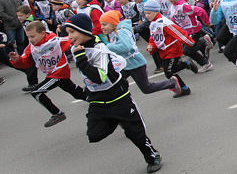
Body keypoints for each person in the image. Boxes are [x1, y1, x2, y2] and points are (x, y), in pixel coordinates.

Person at [63, 14, 163, 173]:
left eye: (71, 32)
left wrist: (81, 58)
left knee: (135, 133)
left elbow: (99, 77)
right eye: (67, 33)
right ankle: (115, 119)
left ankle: (152, 156)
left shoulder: (98, 49)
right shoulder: (76, 48)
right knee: (94, 135)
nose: (69, 37)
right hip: (98, 99)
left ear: (83, 31)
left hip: (118, 97)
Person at [8, 20, 87, 127]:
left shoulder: (55, 42)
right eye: (28, 37)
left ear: (42, 33)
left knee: (36, 92)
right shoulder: (31, 48)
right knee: (77, 93)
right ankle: (99, 99)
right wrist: (16, 60)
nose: (30, 40)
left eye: (33, 36)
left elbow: (73, 40)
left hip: (59, 73)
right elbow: (25, 63)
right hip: (51, 74)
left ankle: (57, 114)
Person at [97, 11, 180, 97]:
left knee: (147, 88)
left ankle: (171, 82)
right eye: (101, 24)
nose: (102, 27)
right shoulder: (114, 33)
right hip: (124, 65)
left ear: (113, 23)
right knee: (113, 81)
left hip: (135, 64)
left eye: (104, 24)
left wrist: (107, 46)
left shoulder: (122, 31)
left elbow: (125, 48)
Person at [143, 0, 195, 97]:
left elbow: (178, 32)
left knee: (168, 72)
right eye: (145, 13)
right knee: (172, 69)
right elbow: (154, 37)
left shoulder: (164, 22)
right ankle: (186, 65)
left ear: (156, 11)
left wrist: (189, 42)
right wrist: (151, 46)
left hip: (172, 49)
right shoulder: (153, 23)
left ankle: (184, 88)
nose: (147, 16)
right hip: (163, 50)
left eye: (149, 13)